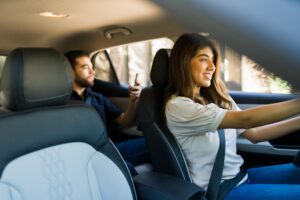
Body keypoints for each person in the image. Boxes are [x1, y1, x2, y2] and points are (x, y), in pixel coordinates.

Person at [164, 33, 300, 199]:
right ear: (183, 62)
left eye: (213, 60)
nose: (212, 67)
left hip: (241, 177)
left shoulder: (216, 98)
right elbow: (246, 120)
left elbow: (254, 134)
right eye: (203, 59)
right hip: (222, 190)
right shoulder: (178, 107)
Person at [65, 50, 149, 176]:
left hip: (111, 147)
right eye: (85, 67)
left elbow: (124, 121)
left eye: (92, 68)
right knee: (127, 168)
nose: (92, 72)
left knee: (156, 143)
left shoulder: (97, 97)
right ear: (70, 71)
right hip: (89, 154)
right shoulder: (62, 104)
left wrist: (133, 101)